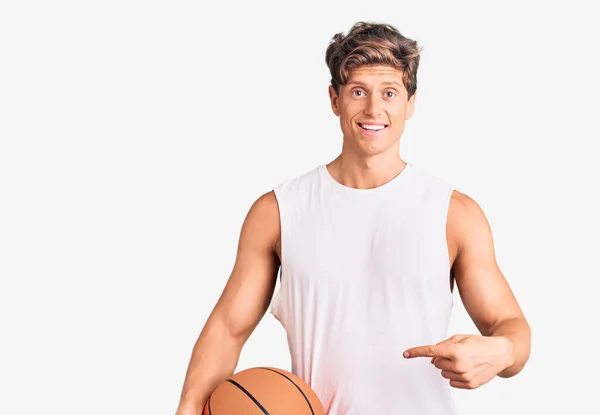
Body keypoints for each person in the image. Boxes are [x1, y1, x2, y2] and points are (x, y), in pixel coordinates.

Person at [175, 21, 531, 415]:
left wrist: (503, 350)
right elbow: (228, 328)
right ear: (334, 99)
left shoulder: (455, 213)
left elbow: (508, 322)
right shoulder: (278, 210)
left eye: (390, 93)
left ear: (410, 103)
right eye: (358, 92)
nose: (374, 109)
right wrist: (189, 407)